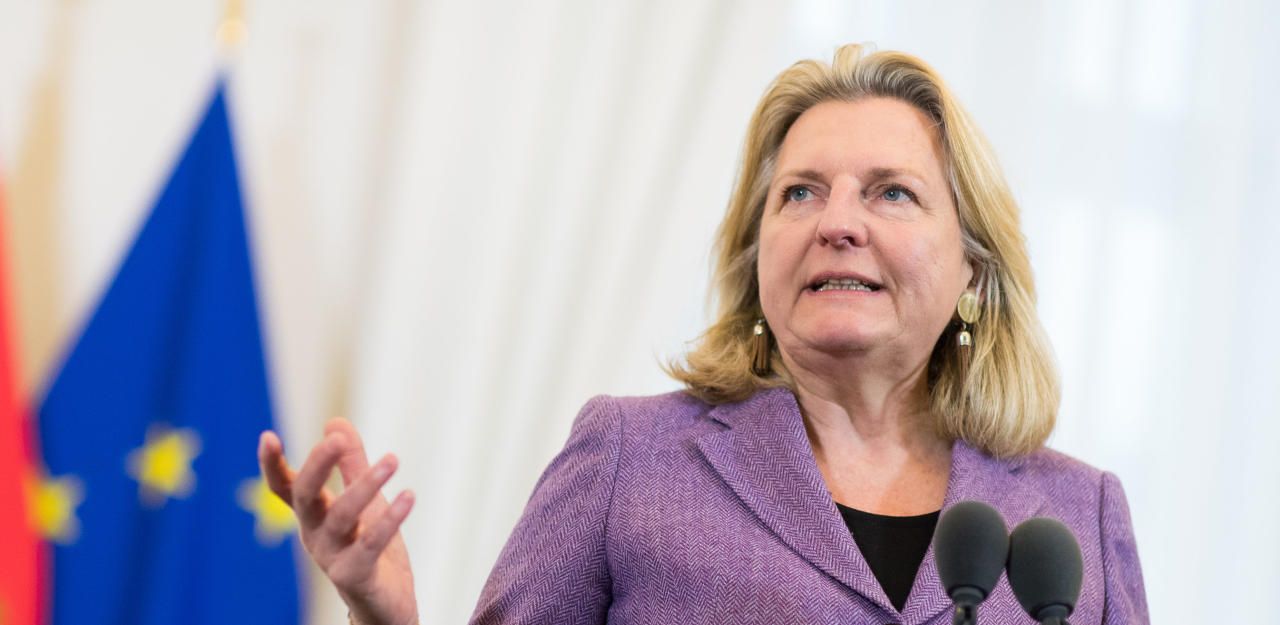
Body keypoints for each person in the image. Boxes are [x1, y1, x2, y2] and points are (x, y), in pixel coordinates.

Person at [258, 44, 1149, 625]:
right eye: (800, 192)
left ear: (973, 274)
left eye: (891, 192)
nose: (838, 222)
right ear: (757, 259)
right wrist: (385, 615)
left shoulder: (1077, 517)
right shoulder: (629, 460)